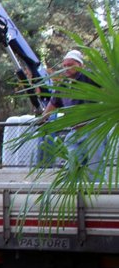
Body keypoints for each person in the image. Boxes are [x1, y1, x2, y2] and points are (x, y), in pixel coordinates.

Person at [39, 49, 105, 178]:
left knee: (94, 169)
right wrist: (42, 119)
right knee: (72, 167)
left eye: (70, 65)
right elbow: (53, 103)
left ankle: (97, 196)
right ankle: (76, 196)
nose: (66, 68)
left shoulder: (90, 77)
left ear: (80, 65)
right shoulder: (63, 85)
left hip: (93, 131)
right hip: (74, 132)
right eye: (64, 65)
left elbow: (108, 87)